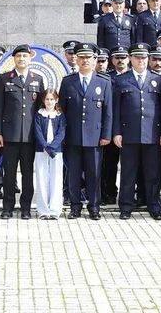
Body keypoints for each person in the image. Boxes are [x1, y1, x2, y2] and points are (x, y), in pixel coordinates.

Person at [59, 42, 112, 220]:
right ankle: (75, 206)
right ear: (77, 59)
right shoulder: (68, 82)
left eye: (88, 57)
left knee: (94, 174)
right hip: (73, 137)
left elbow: (108, 112)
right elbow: (62, 111)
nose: (85, 61)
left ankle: (94, 206)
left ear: (95, 59)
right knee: (73, 174)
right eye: (81, 57)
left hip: (95, 137)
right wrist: (62, 134)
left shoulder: (104, 82)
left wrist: (106, 135)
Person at [112, 43, 161, 220]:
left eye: (143, 57)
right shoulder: (120, 80)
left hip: (152, 134)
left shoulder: (158, 80)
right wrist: (117, 132)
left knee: (153, 173)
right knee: (128, 172)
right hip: (129, 134)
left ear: (148, 59)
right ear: (131, 59)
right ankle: (126, 207)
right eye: (137, 57)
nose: (140, 60)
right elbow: (116, 109)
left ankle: (154, 206)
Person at [0, 44, 44, 219]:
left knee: (28, 174)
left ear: (30, 59)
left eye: (25, 56)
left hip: (29, 136)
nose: (22, 59)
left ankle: (26, 208)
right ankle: (7, 207)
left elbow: (40, 110)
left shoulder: (38, 79)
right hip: (9, 136)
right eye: (19, 56)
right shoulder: (4, 78)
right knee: (9, 175)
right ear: (13, 59)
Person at [33, 88, 66, 220]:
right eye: (47, 99)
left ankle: (54, 209)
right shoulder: (39, 114)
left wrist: (52, 147)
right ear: (43, 100)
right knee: (42, 178)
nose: (49, 101)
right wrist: (45, 147)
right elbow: (37, 132)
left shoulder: (60, 115)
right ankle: (43, 210)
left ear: (56, 100)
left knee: (56, 179)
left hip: (56, 151)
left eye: (52, 99)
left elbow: (61, 133)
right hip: (41, 150)